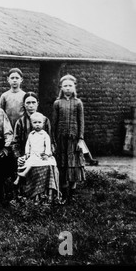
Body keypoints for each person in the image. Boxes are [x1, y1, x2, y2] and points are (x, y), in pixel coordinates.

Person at [12, 92, 59, 203]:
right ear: (24, 104)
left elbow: (51, 140)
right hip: (27, 154)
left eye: (33, 102)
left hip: (43, 154)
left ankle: (47, 198)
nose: (31, 105)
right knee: (26, 164)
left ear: (37, 104)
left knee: (50, 165)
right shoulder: (20, 122)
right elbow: (15, 143)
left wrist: (49, 153)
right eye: (28, 103)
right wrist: (19, 156)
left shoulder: (45, 120)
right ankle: (28, 198)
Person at [52, 74, 86, 204]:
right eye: (65, 86)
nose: (67, 88)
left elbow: (81, 122)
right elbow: (54, 123)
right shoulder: (57, 103)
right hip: (61, 140)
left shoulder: (78, 103)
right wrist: (53, 141)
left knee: (73, 165)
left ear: (74, 87)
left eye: (70, 86)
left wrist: (80, 139)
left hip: (74, 139)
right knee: (62, 165)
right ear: (61, 87)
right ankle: (63, 194)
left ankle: (72, 195)